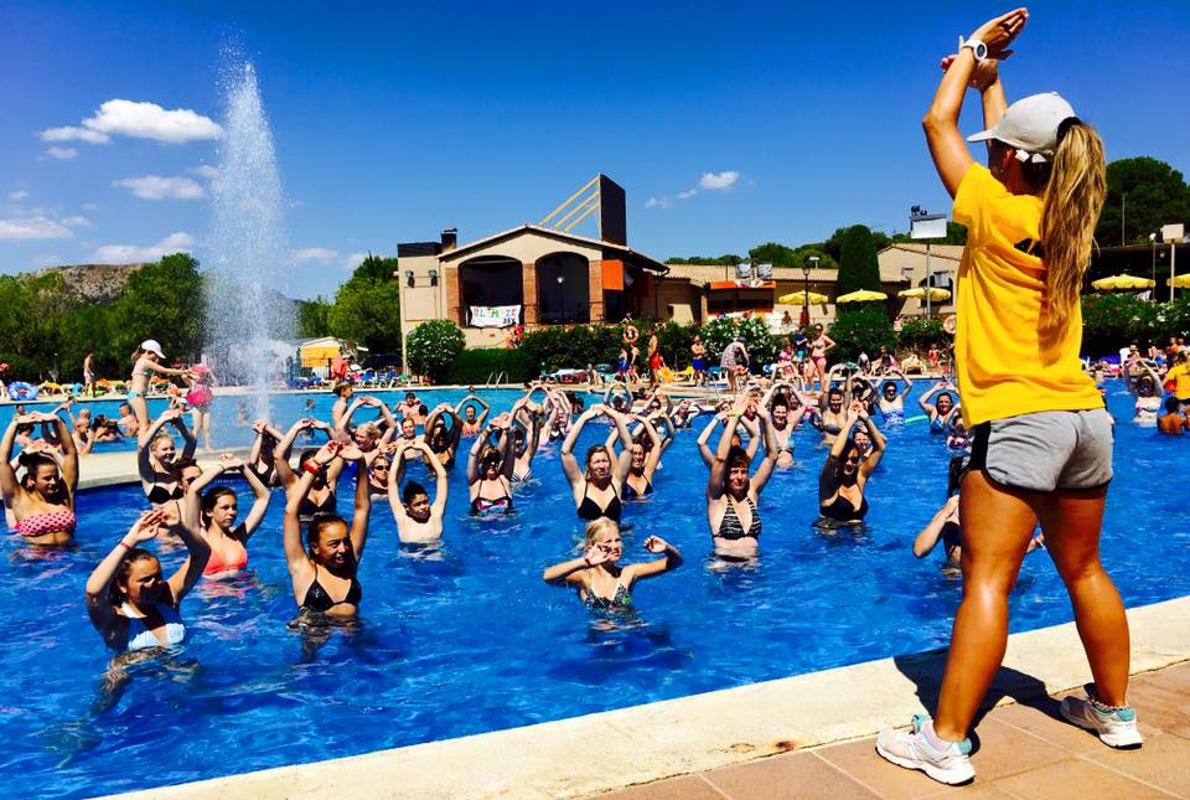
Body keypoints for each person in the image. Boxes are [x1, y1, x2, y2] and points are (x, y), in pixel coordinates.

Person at [877, 12, 1140, 785]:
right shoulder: (1072, 220)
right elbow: (1006, 149)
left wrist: (970, 52)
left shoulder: (992, 211)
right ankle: (1114, 714)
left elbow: (935, 119)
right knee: (1085, 570)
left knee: (986, 580)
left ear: (1015, 165)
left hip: (1019, 419)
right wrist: (998, 85)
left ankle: (947, 740)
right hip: (1086, 418)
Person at [84, 508, 210, 652]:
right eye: (145, 580)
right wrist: (132, 539)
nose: (154, 584)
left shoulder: (167, 598)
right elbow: (93, 591)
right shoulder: (116, 620)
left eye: (158, 577)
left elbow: (202, 554)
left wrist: (179, 527)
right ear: (122, 585)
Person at [282, 441, 371, 619]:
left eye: (345, 542)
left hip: (354, 638)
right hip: (314, 638)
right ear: (315, 547)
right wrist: (315, 465)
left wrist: (361, 463)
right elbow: (291, 512)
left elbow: (362, 509)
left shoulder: (349, 563)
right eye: (334, 544)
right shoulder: (302, 568)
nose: (343, 549)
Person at [542, 518, 681, 610]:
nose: (615, 546)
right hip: (598, 645)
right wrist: (584, 562)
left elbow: (676, 563)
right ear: (591, 548)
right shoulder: (584, 577)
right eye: (608, 542)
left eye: (618, 540)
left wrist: (668, 549)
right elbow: (548, 577)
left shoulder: (628, 573)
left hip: (632, 632)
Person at [706, 399, 778, 560]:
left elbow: (772, 456)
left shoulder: (751, 492)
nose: (740, 477)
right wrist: (734, 418)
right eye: (734, 472)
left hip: (752, 571)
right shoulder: (717, 497)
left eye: (743, 472)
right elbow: (720, 459)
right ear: (725, 474)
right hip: (724, 567)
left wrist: (766, 419)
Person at [187, 454, 272, 579]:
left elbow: (264, 497)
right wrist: (222, 467)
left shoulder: (240, 537)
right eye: (225, 508)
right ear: (209, 511)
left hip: (244, 595)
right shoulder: (199, 536)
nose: (232, 512)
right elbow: (194, 489)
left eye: (234, 507)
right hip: (212, 597)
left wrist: (242, 467)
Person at [1, 413, 79, 546]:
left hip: (70, 557)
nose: (54, 482)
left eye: (55, 477)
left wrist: (57, 421)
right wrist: (15, 424)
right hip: (36, 563)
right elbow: (3, 462)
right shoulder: (20, 499)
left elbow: (71, 453)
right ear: (32, 480)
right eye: (47, 479)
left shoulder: (64, 495)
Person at [561, 404, 633, 523]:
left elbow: (628, 449)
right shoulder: (580, 486)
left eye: (605, 461)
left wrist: (617, 417)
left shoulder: (617, 483)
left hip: (616, 539)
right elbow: (565, 452)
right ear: (588, 466)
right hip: (590, 541)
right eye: (597, 462)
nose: (601, 466)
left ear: (610, 464)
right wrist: (584, 418)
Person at [818, 403, 884, 527]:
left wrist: (866, 419)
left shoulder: (860, 477)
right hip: (831, 541)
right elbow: (833, 456)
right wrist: (850, 421)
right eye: (844, 459)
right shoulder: (828, 482)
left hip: (860, 540)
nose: (849, 463)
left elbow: (880, 448)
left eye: (854, 460)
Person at [275, 418, 344, 523]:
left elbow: (340, 453)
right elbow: (279, 458)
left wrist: (327, 428)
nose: (317, 471)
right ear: (302, 471)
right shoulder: (294, 485)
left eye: (320, 467)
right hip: (303, 534)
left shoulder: (329, 480)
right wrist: (295, 429)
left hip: (329, 533)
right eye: (310, 468)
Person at [387, 440, 448, 543]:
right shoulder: (402, 518)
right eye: (417, 504)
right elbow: (392, 482)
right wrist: (400, 451)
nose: (424, 507)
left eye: (425, 502)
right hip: (410, 558)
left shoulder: (435, 514)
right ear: (407, 507)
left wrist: (425, 448)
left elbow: (442, 476)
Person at [127, 339, 193, 431]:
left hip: (137, 396)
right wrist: (184, 371)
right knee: (144, 426)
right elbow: (164, 370)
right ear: (148, 351)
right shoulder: (144, 361)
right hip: (137, 396)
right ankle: (142, 445)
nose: (156, 359)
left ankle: (144, 444)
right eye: (156, 355)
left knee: (145, 425)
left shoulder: (142, 361)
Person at [137, 409, 197, 507]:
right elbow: (142, 447)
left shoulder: (180, 469)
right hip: (162, 521)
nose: (169, 452)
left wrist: (179, 423)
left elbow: (192, 442)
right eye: (164, 449)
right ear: (154, 452)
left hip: (184, 520)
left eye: (172, 448)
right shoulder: (148, 473)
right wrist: (162, 420)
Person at [466, 414, 516, 515]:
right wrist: (488, 430)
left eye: (495, 460)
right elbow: (473, 453)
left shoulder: (504, 479)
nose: (493, 463)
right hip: (480, 530)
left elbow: (511, 452)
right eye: (489, 460)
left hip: (508, 529)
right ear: (481, 463)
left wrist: (508, 430)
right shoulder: (475, 482)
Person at [184, 363, 217, 450]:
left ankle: (207, 445)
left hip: (206, 407)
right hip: (196, 407)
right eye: (201, 373)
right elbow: (183, 377)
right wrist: (191, 373)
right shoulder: (192, 383)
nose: (202, 375)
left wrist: (210, 373)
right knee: (197, 427)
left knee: (207, 427)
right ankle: (191, 446)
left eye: (204, 374)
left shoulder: (206, 383)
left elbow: (216, 382)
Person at [809, 323, 835, 391]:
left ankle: (821, 390)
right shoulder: (813, 338)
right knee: (809, 375)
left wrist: (825, 349)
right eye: (816, 329)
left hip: (820, 358)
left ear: (821, 330)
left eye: (819, 330)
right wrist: (809, 346)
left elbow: (833, 343)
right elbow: (812, 347)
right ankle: (812, 390)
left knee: (821, 375)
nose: (817, 331)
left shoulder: (823, 337)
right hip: (813, 357)